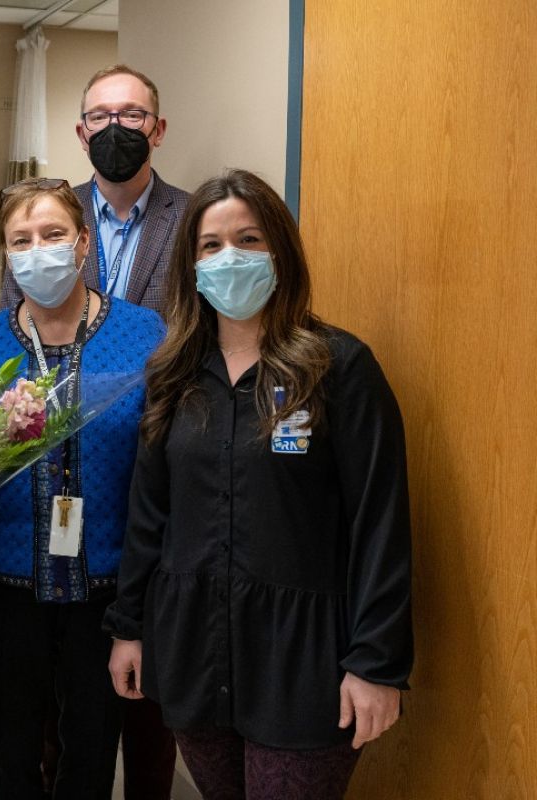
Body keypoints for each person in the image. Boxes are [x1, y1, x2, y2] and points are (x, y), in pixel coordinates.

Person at [104, 169, 413, 800]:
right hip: (195, 650)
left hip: (303, 663)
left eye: (249, 240)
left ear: (282, 250)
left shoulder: (338, 367)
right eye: (211, 245)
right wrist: (128, 628)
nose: (230, 258)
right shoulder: (173, 375)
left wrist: (377, 663)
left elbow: (380, 524)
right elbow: (148, 517)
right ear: (190, 265)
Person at [0, 177, 166, 799]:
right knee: (10, 743)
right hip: (4, 577)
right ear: (6, 254)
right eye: (20, 240)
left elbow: (163, 462)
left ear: (83, 242)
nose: (36, 250)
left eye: (52, 234)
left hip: (105, 581)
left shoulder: (145, 334)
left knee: (92, 743)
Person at [0, 65, 188, 319]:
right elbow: (11, 319)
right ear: (82, 135)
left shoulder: (191, 216)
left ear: (159, 131)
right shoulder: (46, 219)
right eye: (98, 117)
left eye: (131, 114)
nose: (114, 127)